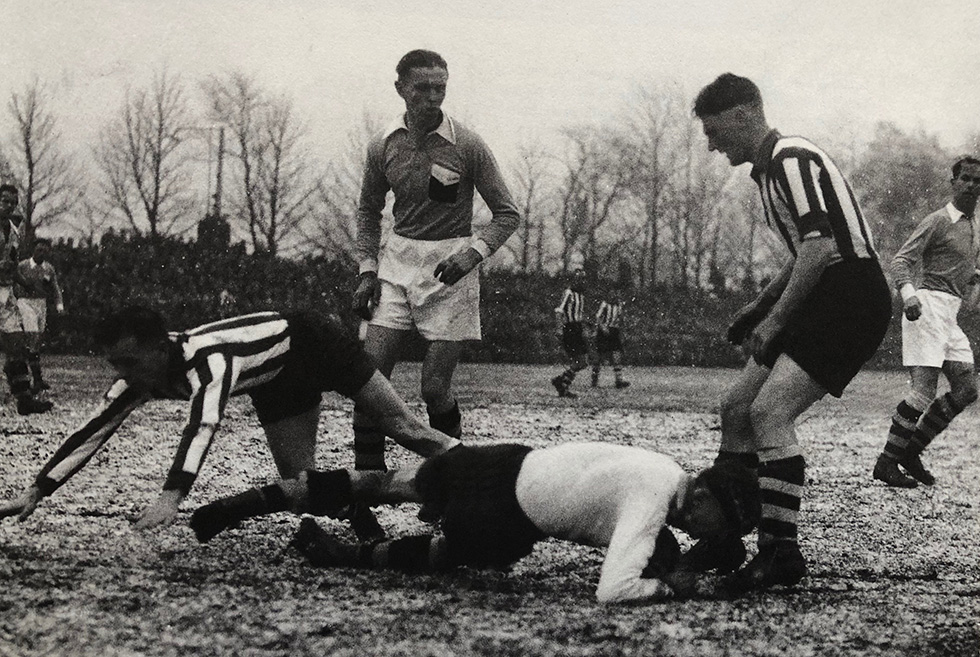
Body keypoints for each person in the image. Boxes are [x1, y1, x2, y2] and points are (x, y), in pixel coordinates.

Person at [686, 74, 892, 593]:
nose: (711, 145)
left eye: (714, 132)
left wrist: (776, 319)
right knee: (736, 409)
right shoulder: (767, 170)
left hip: (852, 297)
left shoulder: (791, 157)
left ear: (743, 116)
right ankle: (728, 537)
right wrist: (761, 304)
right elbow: (807, 251)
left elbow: (822, 251)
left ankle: (780, 550)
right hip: (823, 291)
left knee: (768, 413)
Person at [0, 306, 459, 531]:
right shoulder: (142, 375)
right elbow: (91, 431)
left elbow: (203, 423)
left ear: (160, 348)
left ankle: (484, 471)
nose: (122, 375)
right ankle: (369, 512)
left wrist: (171, 496)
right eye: (116, 365)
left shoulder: (210, 361)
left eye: (128, 362)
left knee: (402, 427)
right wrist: (38, 489)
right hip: (276, 379)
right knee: (302, 489)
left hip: (316, 340)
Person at [190, 441, 760, 605]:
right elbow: (613, 591)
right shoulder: (654, 501)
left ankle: (255, 500)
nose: (712, 536)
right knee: (443, 557)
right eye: (719, 527)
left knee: (381, 483)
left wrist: (688, 560)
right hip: (507, 513)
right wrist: (673, 586)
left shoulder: (661, 470)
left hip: (510, 459)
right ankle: (351, 554)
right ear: (705, 496)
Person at [350, 50, 520, 486]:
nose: (432, 96)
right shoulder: (383, 144)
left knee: (433, 388)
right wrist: (367, 269)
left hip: (450, 271)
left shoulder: (466, 144)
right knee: (369, 382)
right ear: (400, 89)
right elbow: (369, 211)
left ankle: (449, 485)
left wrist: (472, 254)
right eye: (422, 87)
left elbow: (507, 213)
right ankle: (366, 488)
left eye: (439, 87)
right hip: (396, 265)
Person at [873, 156, 980, 488]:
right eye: (965, 178)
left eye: (977, 180)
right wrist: (909, 295)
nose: (971, 185)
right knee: (923, 392)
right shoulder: (938, 220)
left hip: (950, 314)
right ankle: (887, 462)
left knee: (966, 389)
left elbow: (963, 270)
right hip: (927, 306)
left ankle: (910, 451)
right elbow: (901, 259)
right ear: (953, 182)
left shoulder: (973, 225)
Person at [0, 184, 52, 415]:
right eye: (5, 201)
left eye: (13, 201)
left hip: (5, 294)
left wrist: (25, 282)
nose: (9, 205)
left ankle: (23, 399)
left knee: (17, 344)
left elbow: (11, 265)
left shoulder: (13, 230)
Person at [17, 237, 66, 393]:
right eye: (39, 250)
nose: (41, 253)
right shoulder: (23, 266)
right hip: (25, 302)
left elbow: (55, 287)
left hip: (41, 304)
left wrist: (59, 305)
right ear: (33, 250)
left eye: (45, 250)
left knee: (37, 341)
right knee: (33, 335)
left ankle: (37, 379)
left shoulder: (48, 269)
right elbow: (13, 281)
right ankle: (31, 378)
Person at [551, 268, 589, 398]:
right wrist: (559, 328)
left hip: (577, 328)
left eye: (583, 279)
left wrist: (584, 328)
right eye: (579, 279)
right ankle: (563, 385)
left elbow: (579, 315)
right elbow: (559, 311)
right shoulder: (568, 293)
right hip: (570, 328)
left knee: (582, 361)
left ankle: (561, 382)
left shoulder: (581, 296)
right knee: (580, 361)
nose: (581, 281)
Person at [591, 284, 629, 389]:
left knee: (617, 355)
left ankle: (619, 380)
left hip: (614, 331)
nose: (614, 295)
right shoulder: (604, 304)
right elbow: (598, 317)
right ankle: (594, 379)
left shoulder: (620, 305)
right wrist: (602, 327)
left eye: (616, 293)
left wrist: (622, 330)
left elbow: (621, 318)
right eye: (612, 293)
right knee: (599, 356)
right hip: (604, 331)